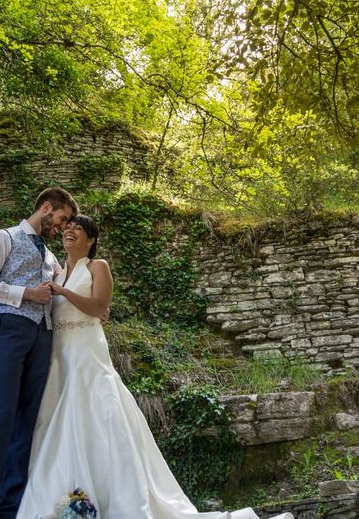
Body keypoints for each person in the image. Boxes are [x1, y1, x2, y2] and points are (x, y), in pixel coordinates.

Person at [16, 215, 292, 519]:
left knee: (98, 411)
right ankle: (65, 494)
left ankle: (118, 498)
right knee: (59, 419)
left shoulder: (98, 267)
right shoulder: (56, 271)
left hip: (87, 350)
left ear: (91, 239)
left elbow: (98, 307)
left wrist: (65, 293)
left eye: (77, 229)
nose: (69, 231)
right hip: (60, 353)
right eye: (67, 228)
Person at [0, 187, 79, 519]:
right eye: (62, 219)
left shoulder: (52, 258)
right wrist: (25, 293)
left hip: (43, 336)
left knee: (28, 421)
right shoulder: (5, 238)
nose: (63, 228)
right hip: (8, 329)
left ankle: (9, 509)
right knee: (1, 417)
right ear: (46, 208)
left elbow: (63, 292)